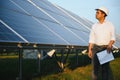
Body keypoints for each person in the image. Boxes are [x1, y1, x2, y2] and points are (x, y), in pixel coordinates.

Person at [88, 6, 115, 80]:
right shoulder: (94, 26)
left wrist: (109, 46)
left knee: (105, 69)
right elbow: (91, 38)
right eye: (96, 12)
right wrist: (90, 49)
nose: (96, 14)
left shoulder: (109, 24)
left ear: (103, 14)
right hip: (95, 48)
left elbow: (112, 37)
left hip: (105, 48)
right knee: (94, 69)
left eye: (98, 12)